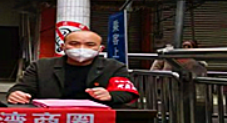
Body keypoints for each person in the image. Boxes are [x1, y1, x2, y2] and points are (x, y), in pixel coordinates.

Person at [7, 30, 139, 106]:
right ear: (63, 47)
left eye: (90, 45)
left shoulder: (114, 67)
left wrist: (110, 95)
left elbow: (127, 93)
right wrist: (17, 94)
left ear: (100, 49)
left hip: (97, 120)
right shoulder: (41, 66)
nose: (81, 48)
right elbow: (23, 88)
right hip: (51, 118)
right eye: (74, 44)